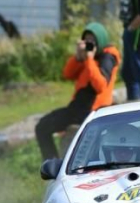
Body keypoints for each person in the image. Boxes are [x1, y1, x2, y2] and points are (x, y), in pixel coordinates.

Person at [35, 22, 121, 161]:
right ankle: (52, 165)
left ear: (101, 41)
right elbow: (67, 74)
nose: (89, 45)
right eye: (86, 41)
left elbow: (100, 86)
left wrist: (89, 60)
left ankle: (54, 166)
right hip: (78, 108)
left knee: (43, 128)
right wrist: (78, 57)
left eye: (92, 41)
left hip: (92, 110)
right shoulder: (89, 58)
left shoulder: (108, 57)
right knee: (42, 127)